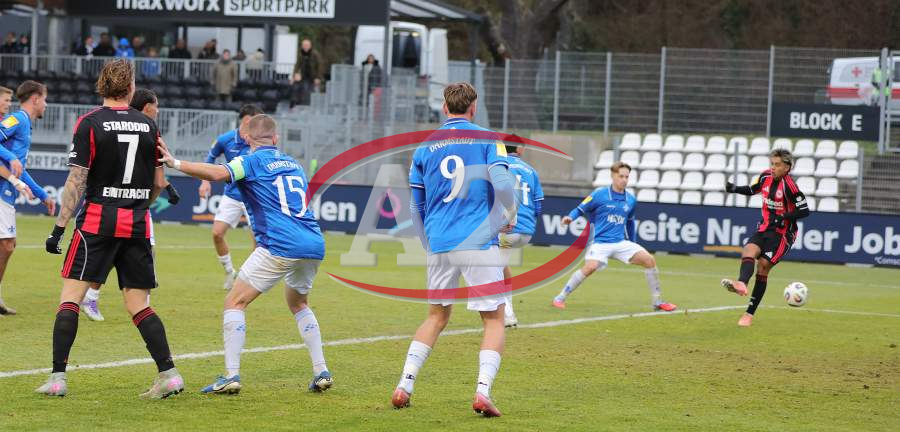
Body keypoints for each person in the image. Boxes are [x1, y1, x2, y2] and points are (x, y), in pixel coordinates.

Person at [156, 114, 332, 395]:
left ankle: (230, 375)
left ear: (248, 138)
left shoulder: (250, 161)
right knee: (299, 303)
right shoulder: (294, 164)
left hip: (280, 243)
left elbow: (217, 174)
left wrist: (174, 162)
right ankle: (321, 370)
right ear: (276, 138)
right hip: (313, 243)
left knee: (234, 302)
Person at [38, 59, 183, 398]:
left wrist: (59, 228)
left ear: (101, 85)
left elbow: (77, 179)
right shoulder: (149, 126)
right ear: (131, 88)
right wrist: (138, 206)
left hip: (96, 224)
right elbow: (158, 183)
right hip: (136, 225)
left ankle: (57, 379)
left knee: (70, 299)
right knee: (139, 305)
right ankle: (170, 375)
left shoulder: (89, 123)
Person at [391, 82, 517, 417]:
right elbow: (502, 184)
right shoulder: (489, 139)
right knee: (494, 318)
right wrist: (510, 214)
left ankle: (404, 384)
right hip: (479, 242)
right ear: (473, 107)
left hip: (440, 242)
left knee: (436, 316)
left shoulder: (423, 148)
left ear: (445, 108)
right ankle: (482, 392)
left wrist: (428, 244)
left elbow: (416, 207)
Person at [79, 88, 182, 322]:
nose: (158, 111)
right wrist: (149, 200)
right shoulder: (150, 129)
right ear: (147, 107)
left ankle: (91, 297)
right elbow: (158, 176)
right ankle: (128, 302)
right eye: (156, 106)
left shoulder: (105, 122)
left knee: (113, 251)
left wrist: (166, 186)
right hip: (133, 206)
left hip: (104, 203)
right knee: (138, 251)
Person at [553, 162, 677, 313]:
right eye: (621, 176)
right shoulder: (599, 194)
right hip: (599, 242)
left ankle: (657, 302)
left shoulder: (630, 200)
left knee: (649, 260)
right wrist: (570, 218)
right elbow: (580, 208)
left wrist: (633, 244)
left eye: (627, 177)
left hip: (619, 242)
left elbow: (630, 222)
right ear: (613, 176)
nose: (624, 180)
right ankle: (560, 297)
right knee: (590, 267)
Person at [721, 149, 810, 327]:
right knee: (749, 250)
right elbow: (752, 189)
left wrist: (783, 217)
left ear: (787, 167)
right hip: (764, 228)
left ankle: (749, 314)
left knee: (762, 267)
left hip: (783, 235)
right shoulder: (765, 177)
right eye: (772, 164)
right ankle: (742, 283)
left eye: (777, 165)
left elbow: (804, 210)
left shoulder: (790, 186)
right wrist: (735, 189)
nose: (773, 168)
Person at [0, 81, 57, 316]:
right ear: (35, 98)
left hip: (7, 191)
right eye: (44, 99)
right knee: (7, 245)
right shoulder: (18, 119)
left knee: (7, 245)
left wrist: (42, 194)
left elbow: (20, 170)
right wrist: (11, 156)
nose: (46, 104)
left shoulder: (24, 124)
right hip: (1, 190)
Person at [199, 104, 263, 290]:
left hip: (254, 197)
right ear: (246, 120)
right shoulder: (226, 139)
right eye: (256, 120)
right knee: (217, 233)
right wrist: (205, 182)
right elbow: (210, 158)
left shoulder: (260, 140)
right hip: (232, 195)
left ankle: (251, 278)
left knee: (258, 239)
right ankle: (229, 272)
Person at [498, 141, 544, 328]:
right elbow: (539, 207)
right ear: (519, 149)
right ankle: (505, 310)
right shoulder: (531, 170)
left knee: (490, 267)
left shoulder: (500, 166)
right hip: (526, 231)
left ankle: (507, 314)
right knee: (500, 264)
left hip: (507, 229)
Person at [292, 39, 322, 106]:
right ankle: (302, 105)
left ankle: (312, 105)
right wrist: (294, 75)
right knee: (301, 89)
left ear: (310, 46)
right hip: (304, 75)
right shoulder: (301, 54)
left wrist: (318, 77)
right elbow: (297, 65)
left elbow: (320, 66)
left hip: (313, 76)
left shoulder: (315, 54)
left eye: (306, 45)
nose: (305, 47)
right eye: (304, 45)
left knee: (312, 91)